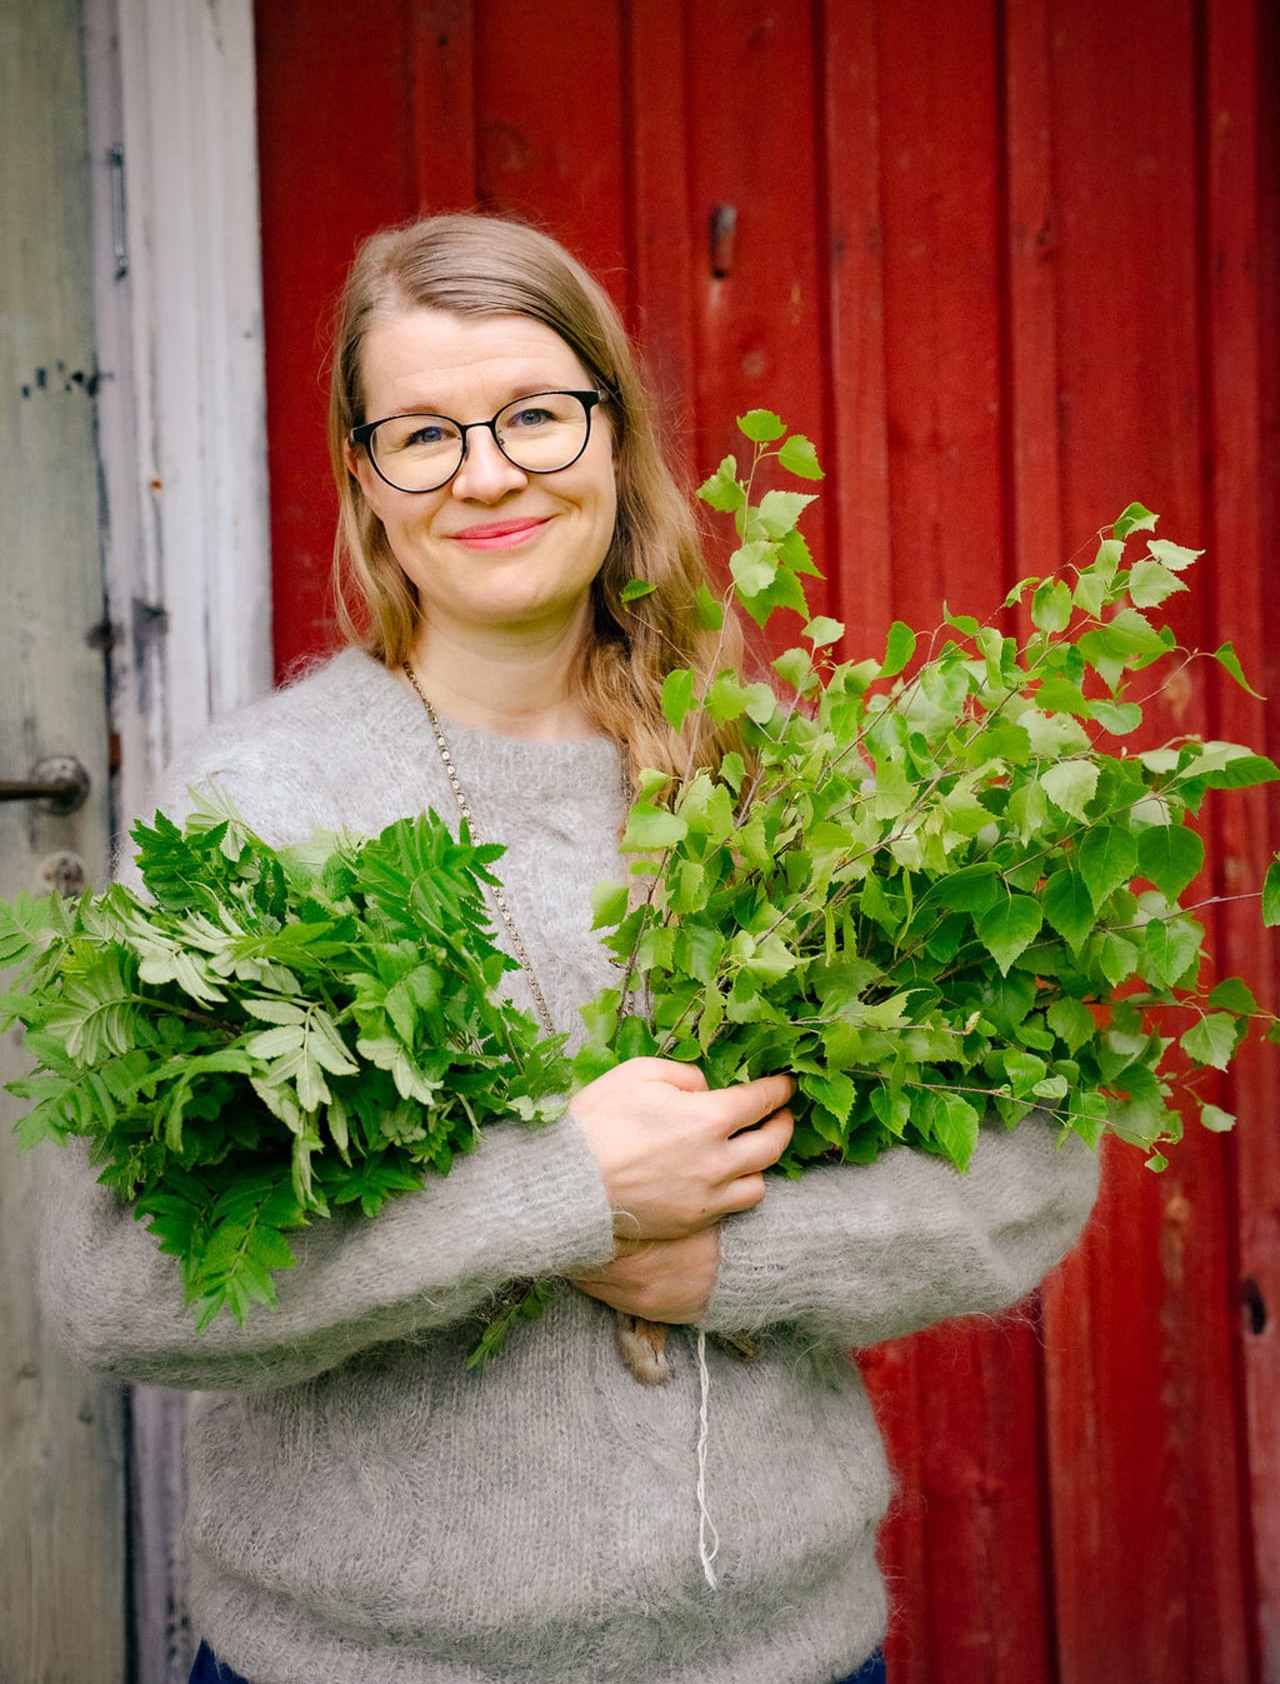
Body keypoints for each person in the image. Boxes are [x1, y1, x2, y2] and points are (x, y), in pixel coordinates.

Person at [40, 212, 1100, 1684]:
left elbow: (1036, 1173)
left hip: (776, 1655)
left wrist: (732, 1257)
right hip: (363, 1665)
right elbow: (119, 1284)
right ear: (366, 475)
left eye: (535, 414)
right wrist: (563, 1197)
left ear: (613, 430)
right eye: (423, 434)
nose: (486, 474)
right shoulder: (263, 811)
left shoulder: (788, 793)